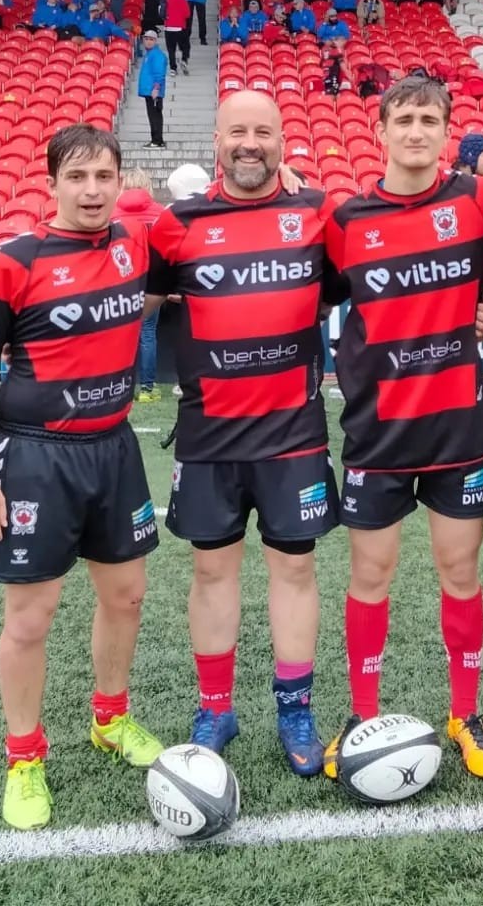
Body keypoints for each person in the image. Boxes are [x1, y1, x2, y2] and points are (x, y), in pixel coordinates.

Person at [0, 124, 165, 831]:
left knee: (127, 597)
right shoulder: (11, 263)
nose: (92, 190)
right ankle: (24, 757)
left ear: (120, 181)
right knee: (30, 618)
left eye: (104, 176)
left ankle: (109, 719)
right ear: (53, 184)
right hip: (37, 457)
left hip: (114, 448)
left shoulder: (137, 243)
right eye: (77, 177)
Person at [320, 76, 483, 783]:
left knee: (460, 574)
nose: (415, 131)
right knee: (370, 575)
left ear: (446, 131)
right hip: (376, 432)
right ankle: (360, 716)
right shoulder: (345, 221)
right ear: (379, 129)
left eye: (428, 119)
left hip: (457, 430)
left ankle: (464, 713)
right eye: (403, 119)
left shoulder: (479, 200)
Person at [144, 91, 338, 776]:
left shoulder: (319, 216)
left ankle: (295, 708)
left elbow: (372, 287)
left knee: (294, 568)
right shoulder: (176, 225)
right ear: (217, 142)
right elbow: (131, 305)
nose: (249, 143)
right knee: (211, 569)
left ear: (283, 139)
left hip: (293, 434)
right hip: (209, 435)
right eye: (237, 132)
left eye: (263, 131)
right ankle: (215, 707)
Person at [113, 168, 164, 402]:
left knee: (118, 335)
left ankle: (117, 387)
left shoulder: (111, 214)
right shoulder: (160, 214)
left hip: (118, 281)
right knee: (147, 333)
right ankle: (147, 389)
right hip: (151, 281)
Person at [138, 31, 167, 149]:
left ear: (155, 41)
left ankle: (157, 140)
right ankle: (156, 139)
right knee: (153, 115)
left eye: (151, 39)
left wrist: (156, 88)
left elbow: (159, 73)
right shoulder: (150, 54)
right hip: (149, 91)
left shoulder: (157, 55)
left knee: (154, 115)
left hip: (153, 91)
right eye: (146, 39)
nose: (148, 41)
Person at [163, 0, 190, 74]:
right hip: (180, 27)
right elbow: (187, 14)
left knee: (171, 49)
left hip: (168, 27)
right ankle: (184, 59)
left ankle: (173, 68)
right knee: (185, 45)